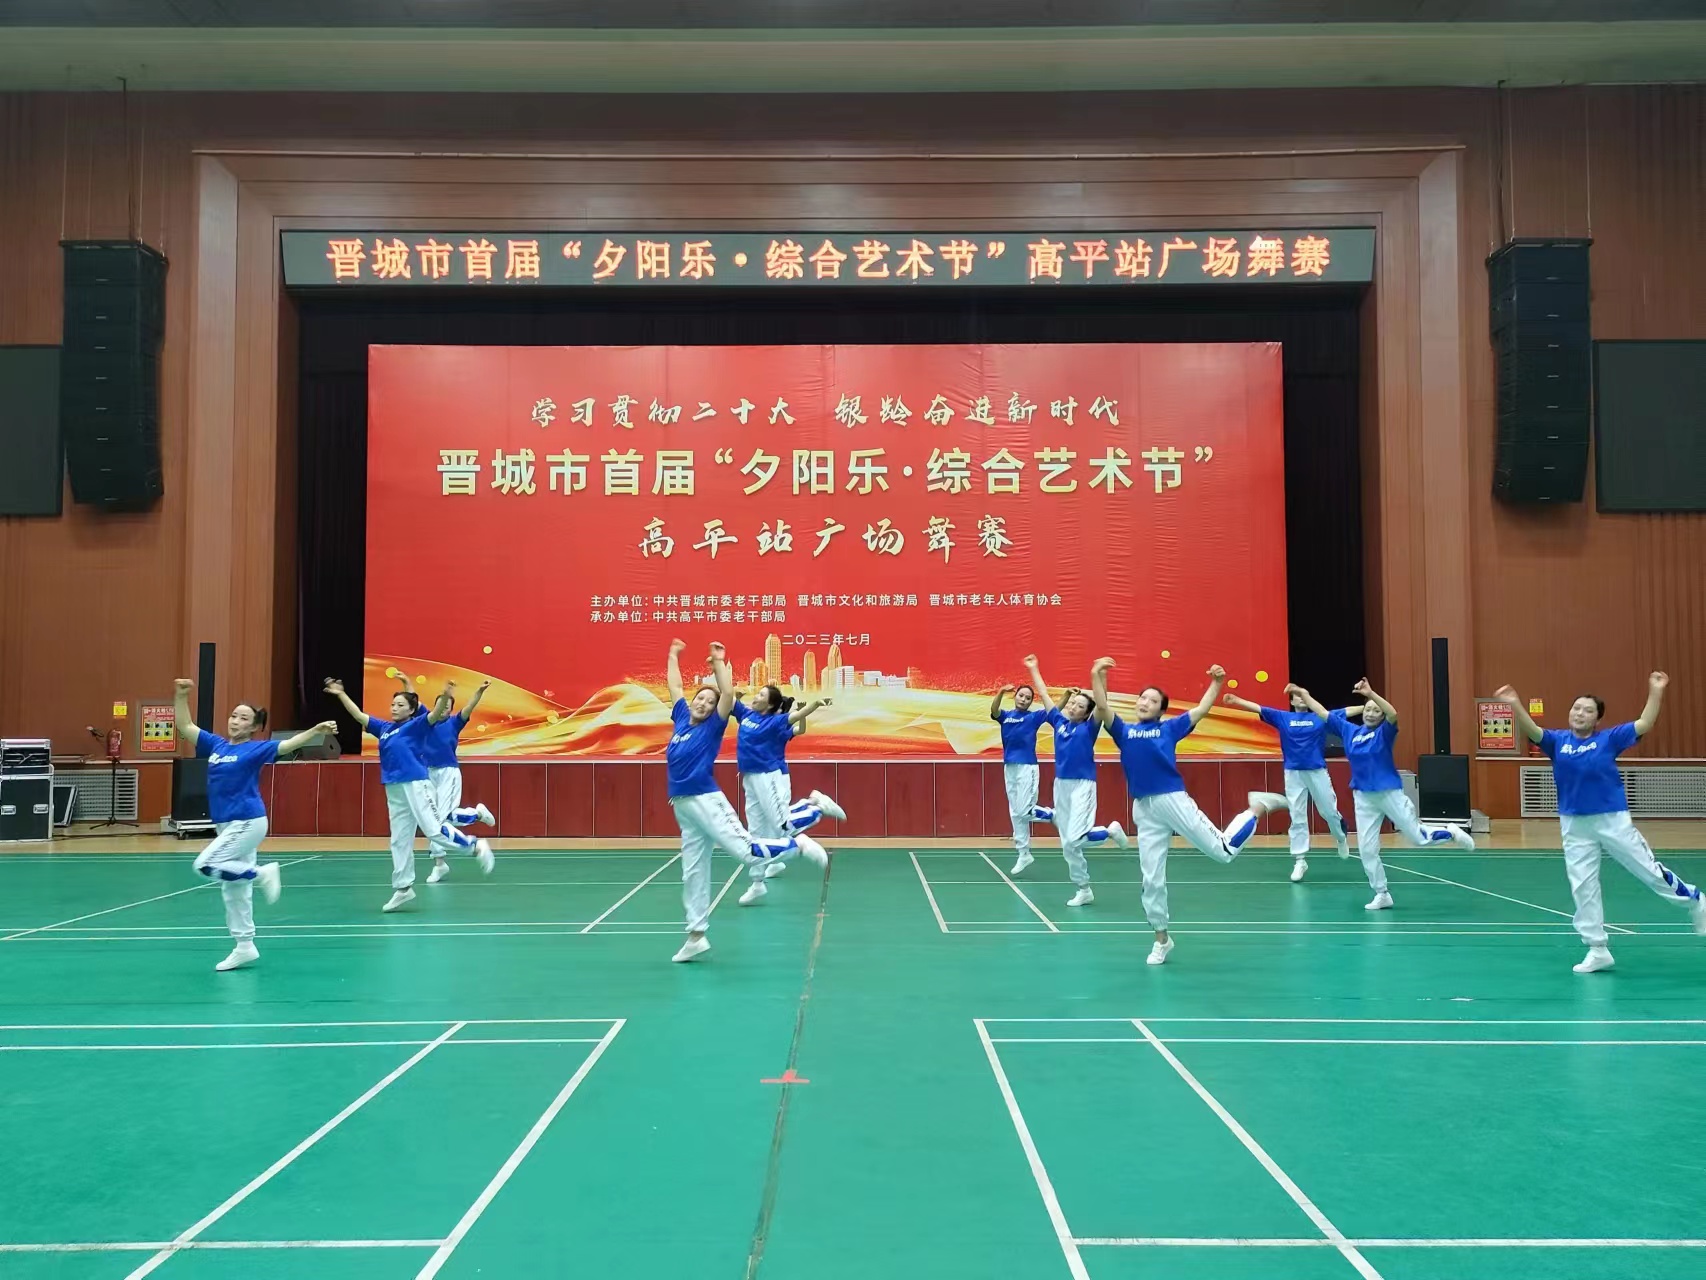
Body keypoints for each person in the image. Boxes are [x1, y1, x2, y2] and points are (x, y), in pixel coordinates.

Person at [1495, 673, 1706, 972]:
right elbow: (1532, 730)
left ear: (1597, 719)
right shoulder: (1557, 741)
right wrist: (1514, 703)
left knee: (1649, 871)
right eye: (1576, 708)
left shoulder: (1609, 739)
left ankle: (1697, 901)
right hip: (1573, 824)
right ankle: (1597, 949)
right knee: (1583, 885)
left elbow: (1645, 723)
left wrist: (1656, 691)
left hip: (1611, 820)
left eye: (1587, 710)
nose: (1579, 713)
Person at [1091, 659, 1286, 965]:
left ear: (1161, 710)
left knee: (1223, 851)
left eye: (1152, 700)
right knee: (1151, 879)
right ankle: (1162, 939)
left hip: (1172, 800)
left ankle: (1257, 807)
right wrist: (1097, 674)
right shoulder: (1124, 732)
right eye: (1142, 698)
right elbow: (1102, 706)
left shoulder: (1169, 728)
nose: (1144, 702)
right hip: (1143, 808)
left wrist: (1217, 683)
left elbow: (1202, 709)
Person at [665, 639, 827, 962]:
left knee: (747, 851)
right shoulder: (682, 718)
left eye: (709, 702)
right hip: (683, 806)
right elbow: (675, 686)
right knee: (693, 871)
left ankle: (796, 845)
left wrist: (719, 662)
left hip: (705, 799)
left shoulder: (712, 726)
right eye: (700, 698)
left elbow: (726, 694)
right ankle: (696, 935)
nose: (703, 703)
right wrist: (672, 655)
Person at [172, 678, 337, 971]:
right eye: (234, 716)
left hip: (247, 821)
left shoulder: (256, 749)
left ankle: (262, 873)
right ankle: (244, 945)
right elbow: (185, 726)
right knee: (233, 888)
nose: (235, 721)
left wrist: (315, 731)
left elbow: (288, 745)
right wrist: (181, 695)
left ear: (253, 727)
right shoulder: (217, 744)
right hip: (226, 824)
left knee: (206, 864)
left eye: (243, 718)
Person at [1303, 678, 1474, 911]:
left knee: (1418, 838)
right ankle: (1382, 893)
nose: (1371, 714)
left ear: (1381, 715)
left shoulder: (1385, 732)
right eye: (1368, 710)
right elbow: (1323, 713)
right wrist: (1304, 695)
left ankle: (1451, 832)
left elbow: (1393, 713)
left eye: (1376, 711)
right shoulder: (1350, 731)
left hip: (1389, 793)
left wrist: (1371, 694)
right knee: (1366, 848)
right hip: (1363, 796)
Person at [325, 677, 493, 912]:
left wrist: (445, 694)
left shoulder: (417, 726)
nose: (394, 708)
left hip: (416, 783)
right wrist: (341, 694)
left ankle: (474, 846)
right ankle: (403, 889)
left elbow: (435, 714)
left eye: (400, 705)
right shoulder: (384, 728)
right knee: (399, 839)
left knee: (434, 829)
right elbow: (359, 716)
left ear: (411, 710)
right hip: (393, 786)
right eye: (393, 704)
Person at [732, 683, 846, 906]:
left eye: (762, 695)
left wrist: (813, 705)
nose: (757, 696)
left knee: (781, 825)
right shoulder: (746, 714)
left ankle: (816, 807)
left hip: (769, 776)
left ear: (770, 705)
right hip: (749, 777)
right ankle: (757, 883)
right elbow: (729, 701)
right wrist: (734, 693)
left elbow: (798, 721)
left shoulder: (774, 722)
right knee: (755, 834)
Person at [1026, 658, 1128, 906]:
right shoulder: (1059, 723)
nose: (1073, 706)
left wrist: (1101, 675)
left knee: (1074, 839)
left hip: (1083, 785)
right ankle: (1084, 889)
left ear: (1086, 713)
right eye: (1073, 702)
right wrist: (1034, 668)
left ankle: (1109, 831)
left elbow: (1102, 704)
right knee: (1068, 845)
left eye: (1080, 705)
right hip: (1061, 786)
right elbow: (1044, 694)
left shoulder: (1089, 728)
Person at [1224, 685, 1351, 881]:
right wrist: (1236, 700)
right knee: (1297, 815)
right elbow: (1258, 708)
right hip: (1293, 773)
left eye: (1303, 694)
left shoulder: (1320, 716)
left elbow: (1347, 711)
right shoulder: (1283, 717)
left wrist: (1370, 704)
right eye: (1296, 696)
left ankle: (1341, 838)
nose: (1300, 698)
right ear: (1291, 701)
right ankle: (1300, 860)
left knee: (1329, 812)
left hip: (1317, 771)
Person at [408, 673, 498, 884]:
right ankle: (475, 816)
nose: (444, 709)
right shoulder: (426, 720)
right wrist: (405, 682)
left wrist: (479, 691)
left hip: (448, 773)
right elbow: (412, 698)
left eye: (448, 706)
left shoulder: (455, 723)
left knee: (438, 820)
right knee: (434, 819)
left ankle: (455, 854)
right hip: (428, 774)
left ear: (450, 709)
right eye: (441, 705)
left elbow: (470, 706)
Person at [992, 655, 1054, 876]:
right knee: (1015, 812)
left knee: (1024, 809)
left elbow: (1054, 711)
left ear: (1030, 702)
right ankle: (1023, 852)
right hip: (1009, 767)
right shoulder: (1006, 716)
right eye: (1021, 695)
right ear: (1015, 697)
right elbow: (994, 710)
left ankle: (1054, 815)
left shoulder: (1034, 717)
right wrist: (1000, 692)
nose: (1024, 699)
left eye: (1028, 697)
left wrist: (1065, 697)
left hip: (1028, 767)